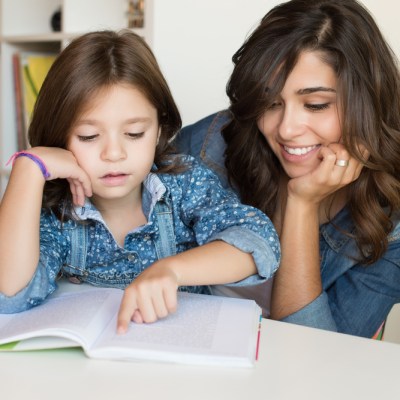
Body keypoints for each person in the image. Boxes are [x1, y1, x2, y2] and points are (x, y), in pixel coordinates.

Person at [0, 30, 280, 333]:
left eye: (134, 133)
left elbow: (258, 243)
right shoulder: (56, 211)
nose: (114, 153)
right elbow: (11, 296)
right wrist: (27, 169)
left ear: (159, 128)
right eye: (89, 136)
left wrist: (171, 270)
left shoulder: (183, 184)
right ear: (59, 137)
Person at [175, 0, 400, 338]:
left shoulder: (392, 224)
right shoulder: (209, 149)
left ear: (366, 103)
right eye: (271, 102)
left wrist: (301, 205)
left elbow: (318, 356)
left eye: (315, 105)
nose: (286, 129)